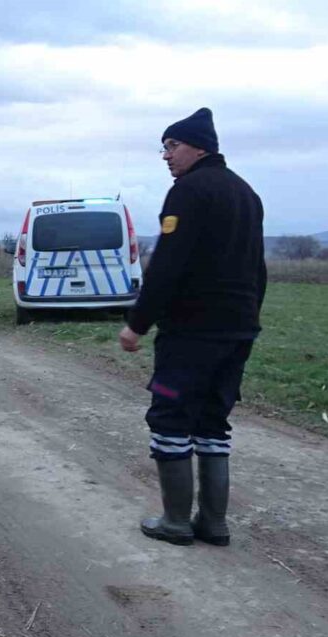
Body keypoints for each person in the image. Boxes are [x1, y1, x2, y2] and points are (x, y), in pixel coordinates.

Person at [119, 107, 266, 547]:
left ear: (198, 147)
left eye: (172, 146)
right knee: (213, 422)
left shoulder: (188, 192)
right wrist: (248, 318)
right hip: (238, 331)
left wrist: (137, 324)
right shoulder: (246, 193)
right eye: (163, 147)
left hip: (191, 334)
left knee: (169, 416)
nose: (166, 156)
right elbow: (256, 269)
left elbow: (168, 264)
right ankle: (214, 524)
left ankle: (176, 521)